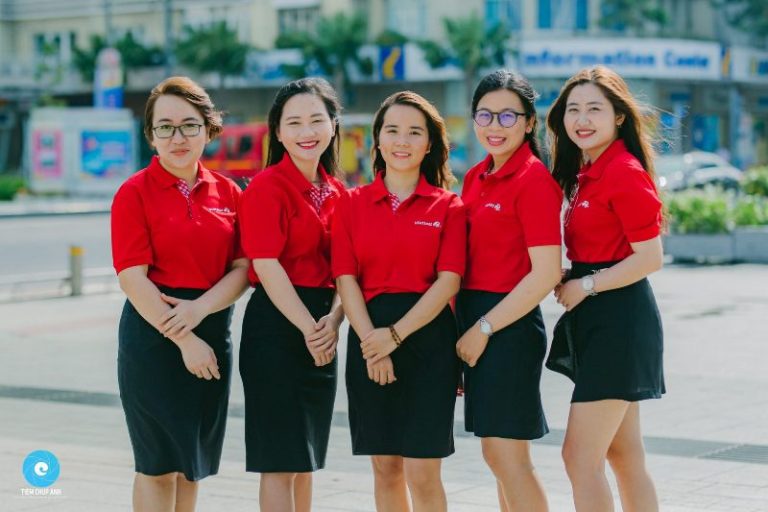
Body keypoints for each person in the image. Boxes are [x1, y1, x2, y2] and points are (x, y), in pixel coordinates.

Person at [111, 76, 249, 511]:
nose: (178, 138)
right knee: (157, 465)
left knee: (192, 464)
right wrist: (185, 338)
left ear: (208, 129)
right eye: (165, 127)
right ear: (151, 136)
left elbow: (243, 269)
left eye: (189, 125)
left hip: (212, 332)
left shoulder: (230, 192)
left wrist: (200, 312)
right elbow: (132, 277)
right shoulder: (134, 193)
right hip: (154, 338)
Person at [332, 91, 466, 512]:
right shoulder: (350, 203)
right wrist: (373, 343)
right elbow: (345, 279)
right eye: (392, 130)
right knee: (386, 468)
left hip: (429, 342)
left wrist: (394, 336)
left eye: (414, 132)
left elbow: (448, 282)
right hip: (368, 335)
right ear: (378, 140)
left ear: (430, 144)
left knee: (423, 472)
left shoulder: (450, 206)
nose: (402, 141)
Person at [546, 65, 665, 512]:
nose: (582, 119)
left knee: (579, 458)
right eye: (573, 109)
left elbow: (650, 257)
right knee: (624, 456)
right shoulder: (588, 172)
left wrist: (587, 284)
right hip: (601, 318)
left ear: (618, 116)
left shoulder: (623, 171)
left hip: (620, 322)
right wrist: (572, 276)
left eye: (594, 109)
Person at [455, 70, 562, 512]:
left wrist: (484, 327)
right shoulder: (475, 176)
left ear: (529, 122)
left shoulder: (534, 180)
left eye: (507, 116)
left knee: (508, 457)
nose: (494, 126)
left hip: (508, 328)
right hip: (477, 322)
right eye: (485, 115)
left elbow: (546, 273)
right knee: (496, 456)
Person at [238, 77, 346, 512]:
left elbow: (347, 272)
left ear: (333, 125)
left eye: (317, 120)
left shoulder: (339, 193)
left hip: (323, 327)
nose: (307, 131)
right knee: (279, 461)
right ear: (278, 132)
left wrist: (333, 322)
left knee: (306, 458)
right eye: (294, 122)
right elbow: (267, 266)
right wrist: (310, 329)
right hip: (277, 330)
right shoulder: (266, 187)